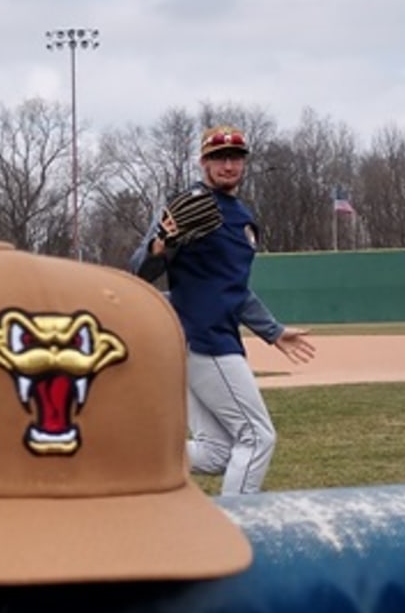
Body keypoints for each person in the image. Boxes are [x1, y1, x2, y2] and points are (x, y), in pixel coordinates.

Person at [129, 124, 315, 495]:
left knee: (216, 452)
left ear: (243, 163)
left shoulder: (242, 216)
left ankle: (123, 455)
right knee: (257, 438)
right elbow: (139, 271)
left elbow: (233, 289)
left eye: (235, 158)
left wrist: (274, 331)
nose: (228, 165)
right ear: (203, 162)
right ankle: (235, 525)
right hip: (204, 337)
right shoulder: (187, 207)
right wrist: (160, 245)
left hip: (209, 337)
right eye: (218, 158)